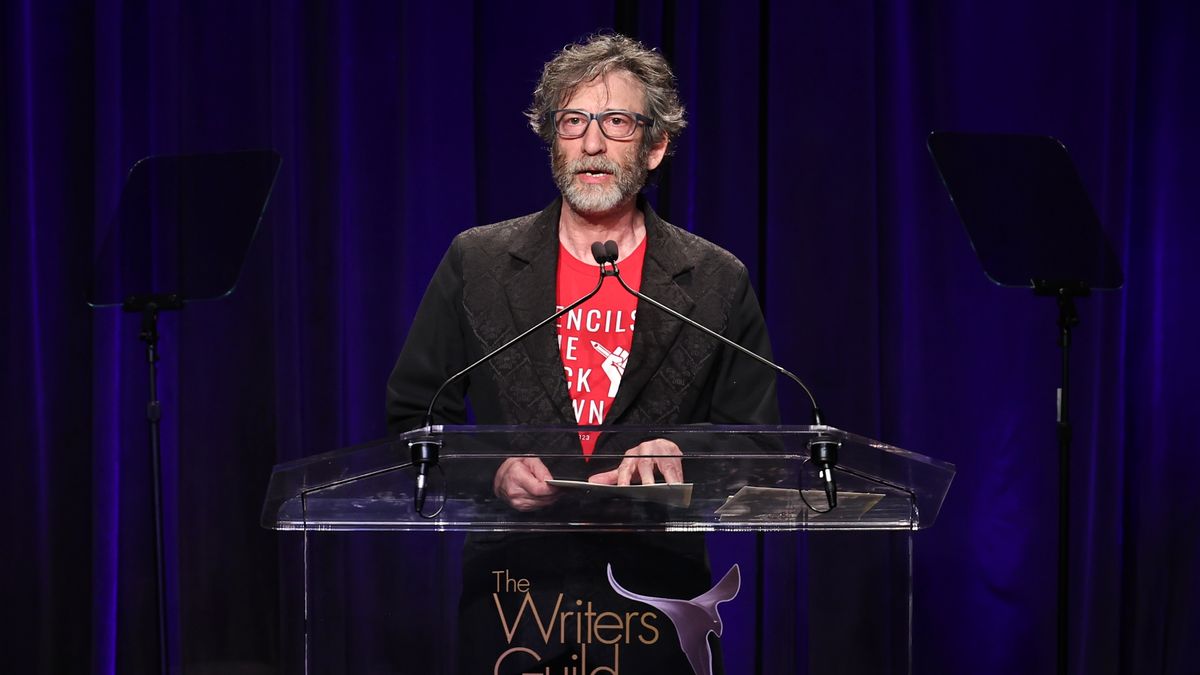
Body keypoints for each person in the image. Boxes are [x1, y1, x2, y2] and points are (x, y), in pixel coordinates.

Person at [386, 33, 778, 675]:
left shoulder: (714, 277)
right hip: (517, 603)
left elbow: (761, 444)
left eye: (617, 122)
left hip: (658, 604)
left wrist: (684, 452)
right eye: (573, 122)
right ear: (553, 141)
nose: (592, 144)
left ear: (655, 147)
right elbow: (411, 419)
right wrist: (493, 470)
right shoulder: (478, 263)